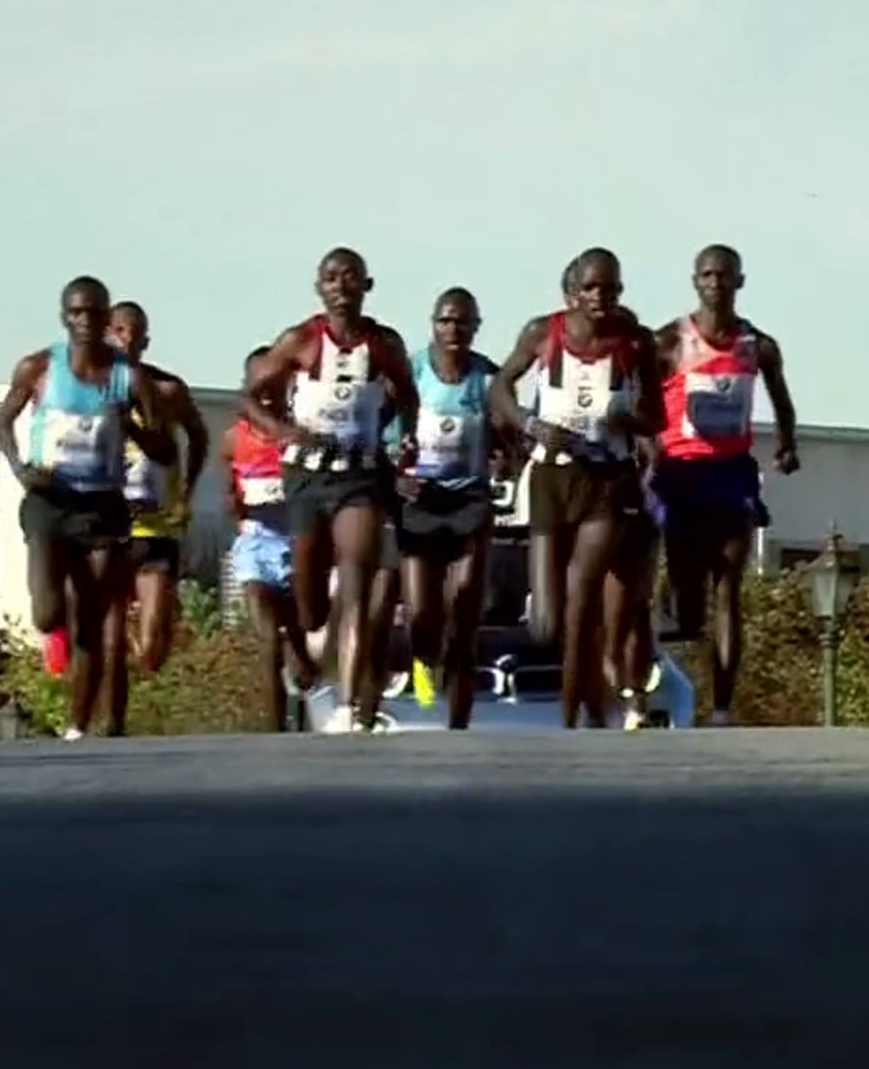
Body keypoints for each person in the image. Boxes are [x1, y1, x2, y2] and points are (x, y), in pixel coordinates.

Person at [240, 248, 420, 734]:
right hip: (306, 477)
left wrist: (404, 435)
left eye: (351, 277)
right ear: (320, 288)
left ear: (367, 286)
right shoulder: (300, 340)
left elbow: (407, 393)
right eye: (332, 278)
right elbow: (249, 397)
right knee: (311, 606)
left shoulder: (383, 344)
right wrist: (284, 431)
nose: (342, 286)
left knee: (357, 578)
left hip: (360, 475)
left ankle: (348, 703)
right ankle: (306, 642)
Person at [489, 248, 664, 729]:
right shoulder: (543, 333)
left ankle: (574, 721)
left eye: (609, 288)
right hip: (551, 477)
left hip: (606, 479)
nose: (600, 296)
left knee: (582, 600)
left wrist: (628, 419)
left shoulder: (636, 343)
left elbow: (656, 416)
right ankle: (591, 701)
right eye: (590, 287)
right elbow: (499, 387)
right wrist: (528, 423)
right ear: (572, 293)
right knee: (548, 624)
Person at [0, 277, 171, 740]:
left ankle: (77, 725)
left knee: (91, 618)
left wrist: (131, 427)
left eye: (94, 313)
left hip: (102, 505)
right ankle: (53, 632)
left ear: (106, 319)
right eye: (76, 313)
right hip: (49, 500)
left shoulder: (128, 379)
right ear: (64, 318)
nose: (85, 321)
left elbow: (166, 450)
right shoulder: (39, 368)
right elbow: (3, 420)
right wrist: (19, 467)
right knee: (48, 612)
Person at [647, 244, 801, 728]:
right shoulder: (670, 341)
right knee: (689, 606)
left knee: (728, 586)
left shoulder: (758, 346)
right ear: (696, 281)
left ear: (740, 281)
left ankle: (721, 707)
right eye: (708, 275)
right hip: (680, 472)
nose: (716, 283)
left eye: (724, 275)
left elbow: (782, 400)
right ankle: (668, 618)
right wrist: (646, 445)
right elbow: (640, 399)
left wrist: (787, 444)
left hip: (731, 473)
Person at [395, 287, 503, 730]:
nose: (453, 329)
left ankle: (459, 724)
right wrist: (397, 474)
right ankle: (422, 664)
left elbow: (506, 434)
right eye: (445, 320)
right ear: (433, 325)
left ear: (476, 327)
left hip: (470, 500)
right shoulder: (412, 372)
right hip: (420, 500)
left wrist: (504, 456)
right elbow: (384, 429)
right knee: (421, 613)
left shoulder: (487, 378)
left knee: (463, 609)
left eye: (462, 322)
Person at [220, 346, 320, 732]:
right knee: (268, 641)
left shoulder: (299, 434)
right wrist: (234, 502)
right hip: (255, 545)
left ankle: (302, 658)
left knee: (295, 629)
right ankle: (273, 730)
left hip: (296, 543)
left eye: (273, 385)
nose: (265, 392)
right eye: (257, 384)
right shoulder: (233, 439)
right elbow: (230, 489)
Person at [109, 301, 209, 683]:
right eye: (119, 331)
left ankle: (147, 686)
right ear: (106, 334)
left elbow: (199, 436)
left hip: (156, 523)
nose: (127, 340)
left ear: (145, 342)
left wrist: (187, 491)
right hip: (109, 522)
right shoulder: (89, 390)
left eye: (135, 334)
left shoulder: (167, 389)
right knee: (108, 631)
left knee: (154, 637)